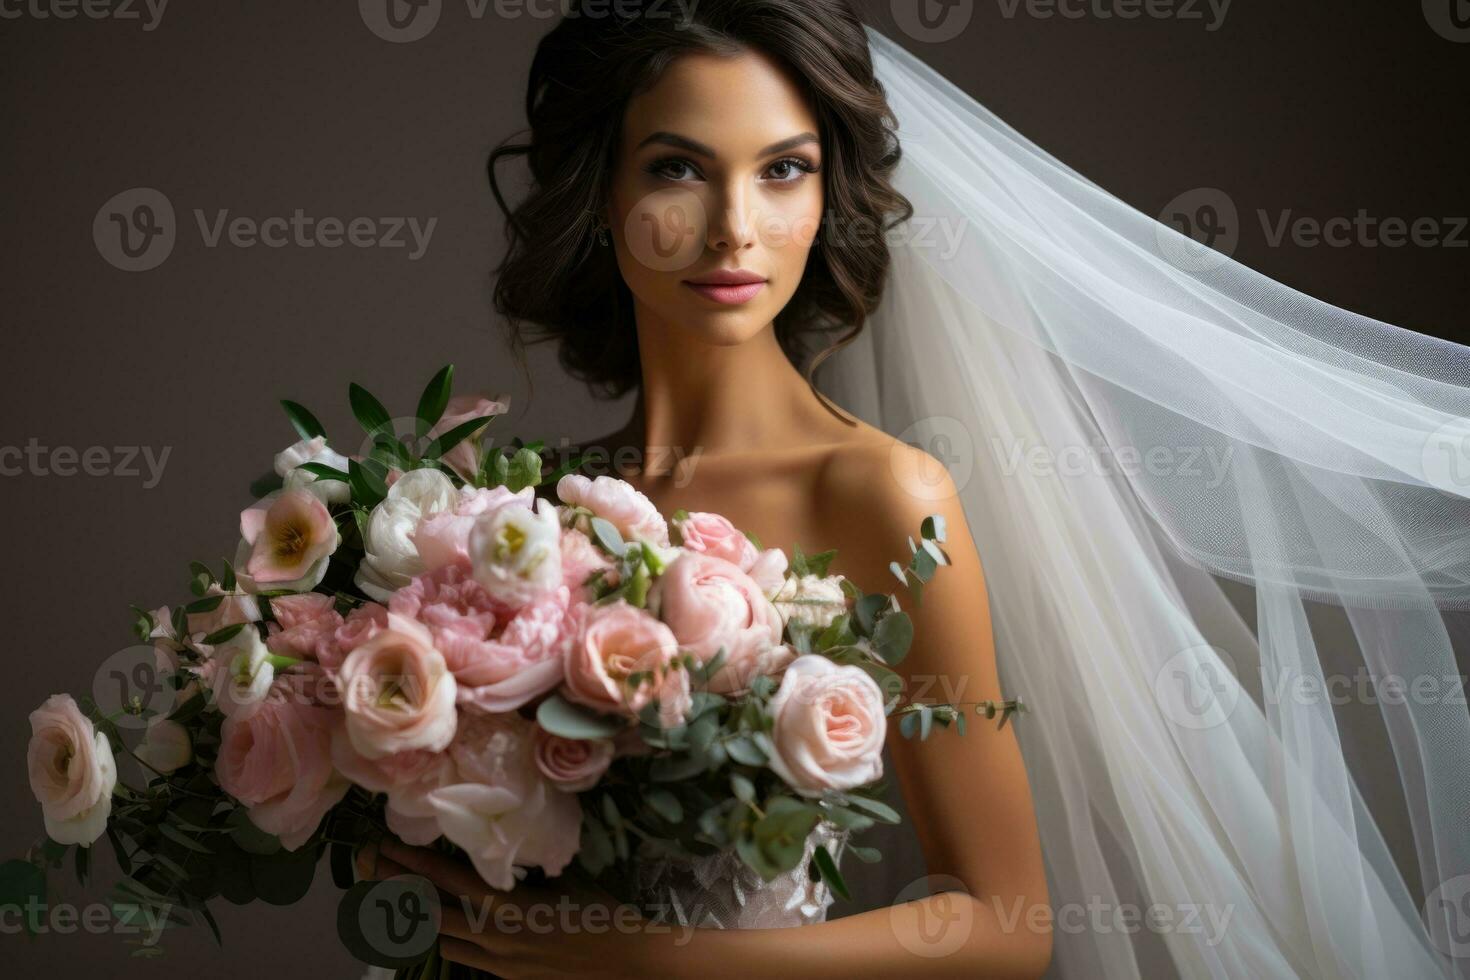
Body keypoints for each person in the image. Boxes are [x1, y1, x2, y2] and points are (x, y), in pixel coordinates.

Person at [362, 2, 1470, 977]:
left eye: (783, 168)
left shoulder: (884, 494)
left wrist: (662, 962)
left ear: (828, 191)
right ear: (601, 198)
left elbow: (1005, 919)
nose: (737, 225)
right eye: (679, 167)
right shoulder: (537, 507)